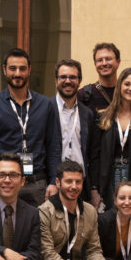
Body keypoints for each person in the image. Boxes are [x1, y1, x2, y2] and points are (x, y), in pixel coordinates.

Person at [35, 160, 120, 260]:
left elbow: (94, 249)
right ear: (58, 182)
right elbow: (48, 256)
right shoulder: (44, 212)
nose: (74, 186)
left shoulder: (89, 211)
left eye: (78, 182)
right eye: (69, 181)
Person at [0, 48, 61, 207]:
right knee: (6, 223)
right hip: (6, 183)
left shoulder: (45, 105)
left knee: (38, 223)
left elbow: (53, 145)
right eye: (12, 68)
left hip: (38, 184)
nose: (17, 73)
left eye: (22, 68)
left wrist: (53, 181)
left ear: (29, 70)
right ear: (4, 70)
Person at [90, 68, 131, 210]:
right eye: (127, 84)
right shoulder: (103, 118)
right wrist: (95, 189)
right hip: (109, 180)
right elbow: (95, 156)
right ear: (119, 85)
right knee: (111, 219)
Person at [51, 59, 95, 197]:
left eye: (72, 77)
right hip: (55, 184)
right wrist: (51, 181)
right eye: (63, 77)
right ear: (56, 81)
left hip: (81, 185)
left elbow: (92, 153)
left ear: (79, 81)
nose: (68, 81)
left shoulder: (87, 113)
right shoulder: (46, 109)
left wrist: (93, 188)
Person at [77, 42, 121, 114]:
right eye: (100, 60)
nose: (104, 63)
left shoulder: (127, 92)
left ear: (118, 62)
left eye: (108, 59)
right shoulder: (83, 95)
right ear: (95, 64)